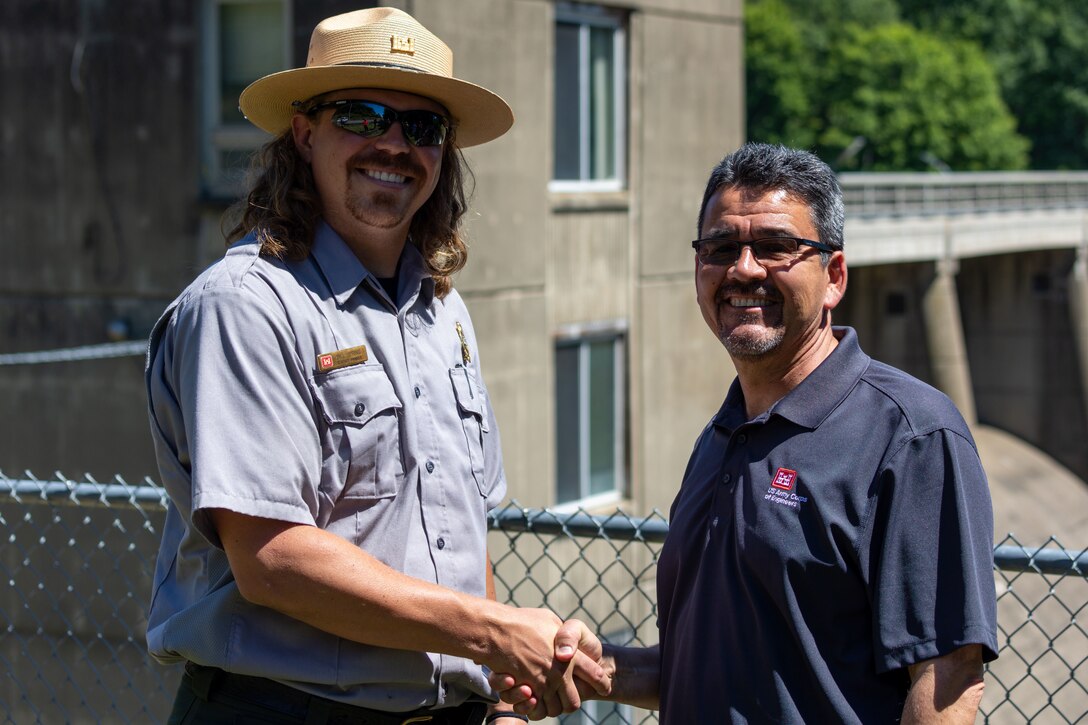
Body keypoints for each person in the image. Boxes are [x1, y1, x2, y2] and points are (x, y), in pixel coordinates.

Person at [144, 8, 607, 725]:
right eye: (362, 116)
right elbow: (272, 559)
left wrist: (499, 692)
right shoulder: (247, 307)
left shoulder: (442, 312)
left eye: (423, 128)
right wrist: (493, 631)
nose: (394, 144)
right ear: (304, 132)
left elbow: (459, 531)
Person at [493, 142, 999, 723]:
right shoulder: (722, 433)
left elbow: (948, 679)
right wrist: (602, 667)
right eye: (722, 248)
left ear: (834, 276)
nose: (744, 268)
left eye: (777, 248)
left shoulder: (910, 435)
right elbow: (715, 665)